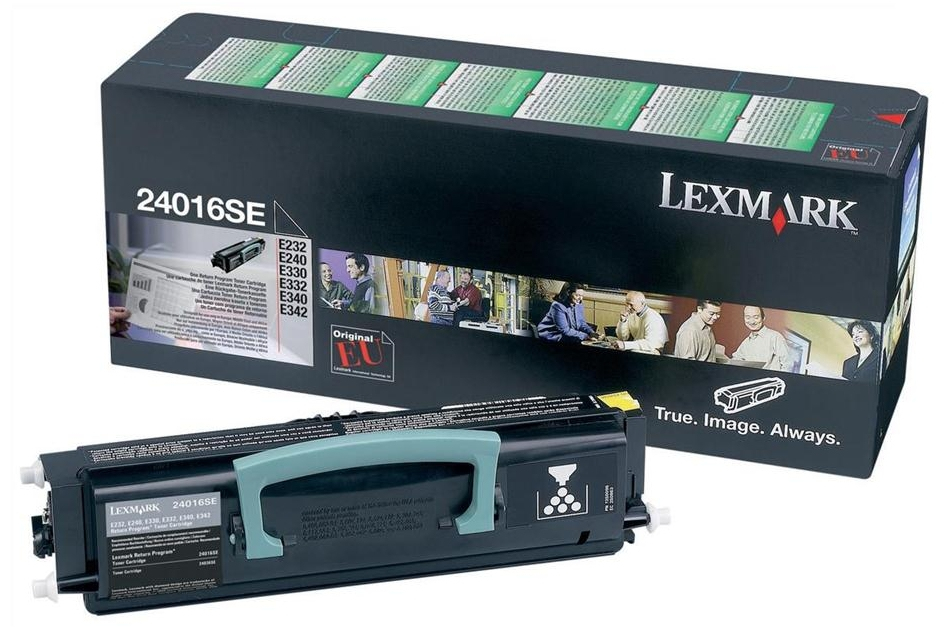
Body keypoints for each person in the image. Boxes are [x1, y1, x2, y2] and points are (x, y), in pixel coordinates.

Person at [731, 306, 790, 371]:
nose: (752, 321)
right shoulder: (745, 343)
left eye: (756, 317)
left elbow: (788, 364)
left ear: (763, 318)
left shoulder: (775, 337)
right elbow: (735, 360)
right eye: (748, 317)